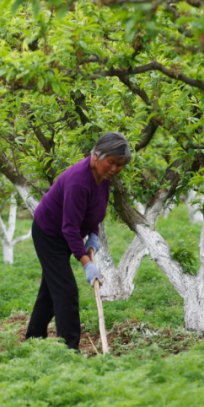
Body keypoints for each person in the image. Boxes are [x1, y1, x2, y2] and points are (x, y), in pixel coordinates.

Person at [24, 132, 132, 350]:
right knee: (66, 292)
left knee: (51, 290)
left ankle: (33, 340)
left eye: (120, 165)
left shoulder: (102, 176)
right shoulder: (78, 182)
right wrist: (87, 263)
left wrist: (93, 233)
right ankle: (69, 351)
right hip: (49, 233)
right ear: (96, 155)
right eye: (111, 162)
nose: (114, 169)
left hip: (66, 232)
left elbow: (95, 209)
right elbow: (69, 227)